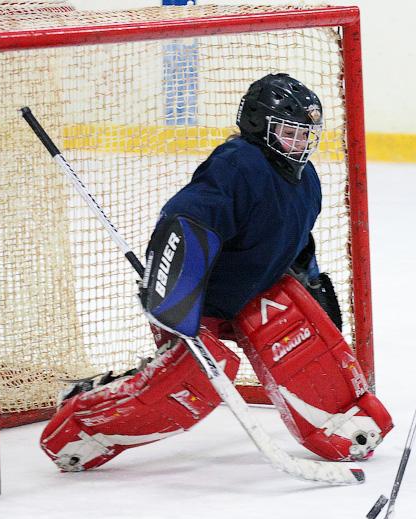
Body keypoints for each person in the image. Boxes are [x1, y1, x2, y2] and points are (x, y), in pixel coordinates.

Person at [40, 73, 393, 471]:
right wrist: (172, 291)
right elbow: (187, 219)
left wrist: (312, 288)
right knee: (194, 382)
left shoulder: (306, 178)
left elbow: (296, 238)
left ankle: (345, 424)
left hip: (255, 293)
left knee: (305, 349)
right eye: (289, 133)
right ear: (259, 126)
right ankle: (83, 428)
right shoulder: (238, 165)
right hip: (198, 301)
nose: (300, 144)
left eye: (305, 135)